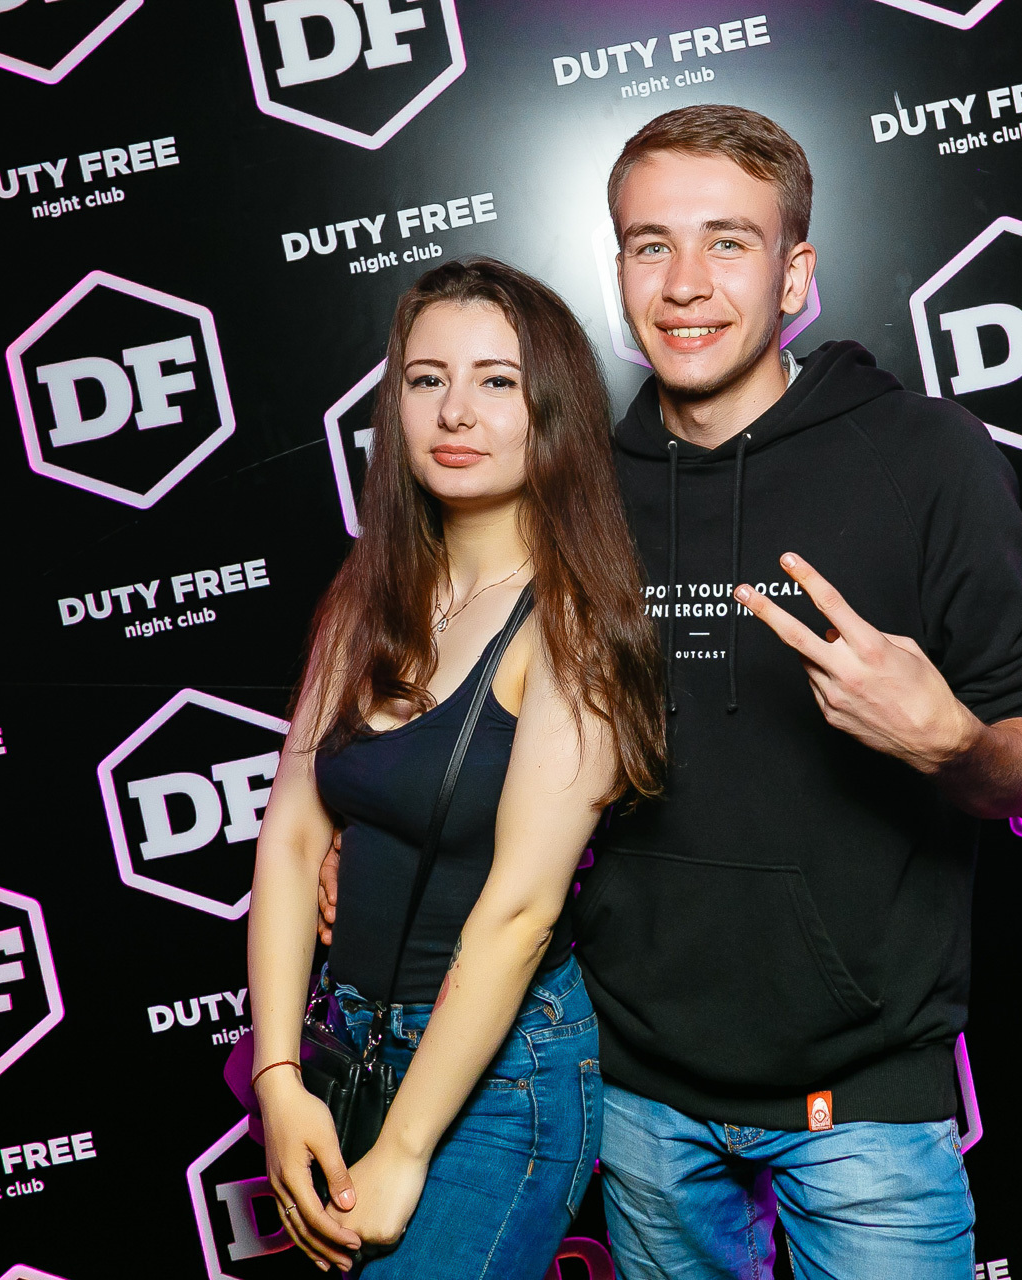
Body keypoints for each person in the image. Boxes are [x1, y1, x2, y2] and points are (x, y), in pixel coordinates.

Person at [321, 106, 1022, 1277]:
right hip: (638, 1090)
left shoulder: (927, 456)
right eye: (649, 244)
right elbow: (465, 700)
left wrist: (954, 744)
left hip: (865, 1101)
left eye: (728, 241)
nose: (684, 283)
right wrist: (374, 838)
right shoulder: (574, 489)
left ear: (794, 274)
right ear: (618, 266)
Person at [245, 258, 665, 1276]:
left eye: (497, 381)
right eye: (427, 378)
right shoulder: (370, 592)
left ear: (552, 410)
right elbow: (292, 834)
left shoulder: (571, 623)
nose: (455, 412)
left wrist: (404, 1147)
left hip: (501, 1078)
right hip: (352, 1041)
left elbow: (520, 913)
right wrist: (278, 1076)